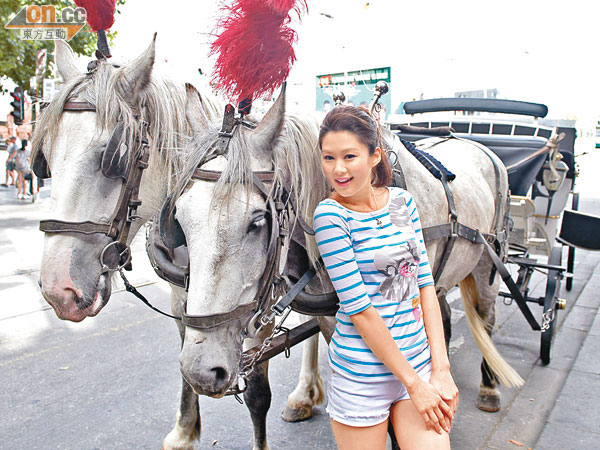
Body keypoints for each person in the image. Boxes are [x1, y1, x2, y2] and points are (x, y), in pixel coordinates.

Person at [313, 106, 458, 450]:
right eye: (329, 158)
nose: (339, 169)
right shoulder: (331, 216)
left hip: (418, 362)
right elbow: (360, 311)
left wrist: (441, 369)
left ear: (375, 155)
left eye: (350, 156)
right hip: (362, 377)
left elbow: (425, 286)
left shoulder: (402, 203)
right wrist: (414, 385)